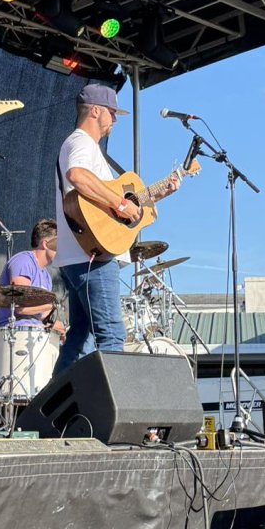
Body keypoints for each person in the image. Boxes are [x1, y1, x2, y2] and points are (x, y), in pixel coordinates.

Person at [52, 83, 179, 377]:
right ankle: (115, 412)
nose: (115, 120)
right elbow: (78, 176)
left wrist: (156, 195)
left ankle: (53, 412)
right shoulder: (82, 143)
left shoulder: (86, 147)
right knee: (111, 335)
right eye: (112, 113)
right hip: (94, 258)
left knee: (80, 340)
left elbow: (106, 202)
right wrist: (122, 205)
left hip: (80, 257)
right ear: (95, 111)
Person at [0, 218, 65, 338]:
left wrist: (59, 327)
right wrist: (52, 305)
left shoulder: (46, 275)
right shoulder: (23, 261)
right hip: (13, 333)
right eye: (59, 243)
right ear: (45, 244)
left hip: (33, 332)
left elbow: (41, 314)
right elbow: (21, 307)